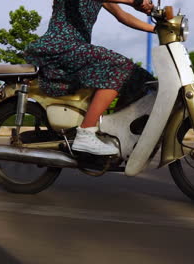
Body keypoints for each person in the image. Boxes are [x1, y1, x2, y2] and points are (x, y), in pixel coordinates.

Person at [24, 0, 155, 156]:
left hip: (77, 48)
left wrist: (157, 29)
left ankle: (116, 134)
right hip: (60, 45)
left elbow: (123, 16)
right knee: (118, 67)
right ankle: (86, 133)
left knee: (140, 78)